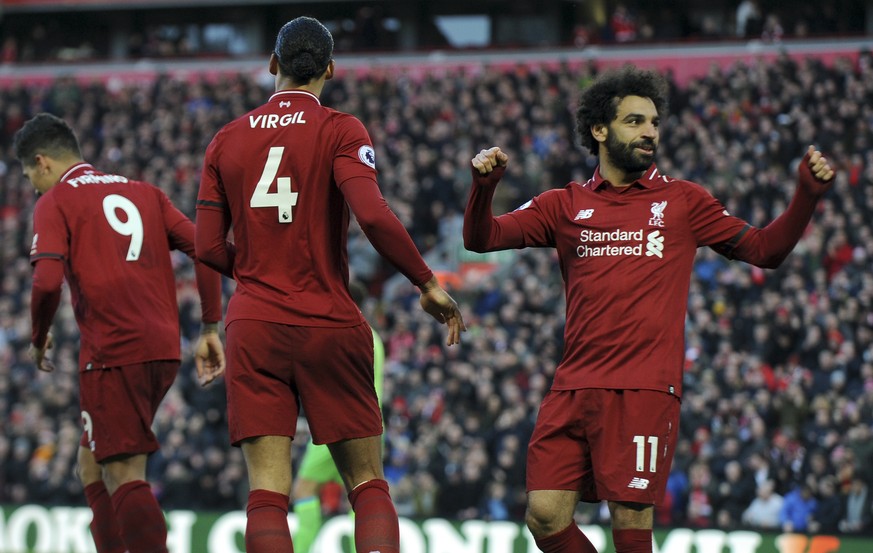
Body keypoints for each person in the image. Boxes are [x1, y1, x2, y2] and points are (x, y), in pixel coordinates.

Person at [463, 65, 835, 553]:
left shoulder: (683, 201)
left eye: (654, 123)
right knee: (544, 517)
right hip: (573, 384)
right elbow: (481, 237)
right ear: (600, 130)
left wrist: (805, 195)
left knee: (630, 520)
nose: (650, 133)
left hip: (644, 386)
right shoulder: (564, 204)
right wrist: (484, 188)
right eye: (635, 122)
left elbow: (766, 250)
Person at [195, 16, 465, 553]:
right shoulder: (342, 129)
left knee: (268, 494)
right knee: (366, 484)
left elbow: (205, 248)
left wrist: (223, 307)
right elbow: (373, 214)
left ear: (272, 65)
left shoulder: (225, 140)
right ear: (330, 70)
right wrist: (426, 282)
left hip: (254, 325)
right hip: (328, 320)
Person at [14, 112, 225, 553]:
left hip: (114, 351)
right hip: (164, 347)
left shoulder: (55, 202)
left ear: (42, 162)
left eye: (30, 174)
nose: (33, 185)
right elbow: (206, 249)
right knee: (90, 464)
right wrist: (209, 324)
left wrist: (38, 337)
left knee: (124, 473)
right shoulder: (143, 192)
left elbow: (47, 281)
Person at [292, 280, 386, 553]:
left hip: (341, 423)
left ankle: (300, 549)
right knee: (364, 492)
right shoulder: (373, 337)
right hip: (373, 424)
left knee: (304, 489)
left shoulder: (344, 331)